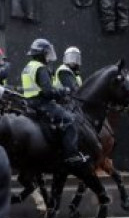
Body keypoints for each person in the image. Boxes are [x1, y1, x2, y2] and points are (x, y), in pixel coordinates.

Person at [20, 38, 86, 168]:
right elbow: (48, 92)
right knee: (70, 120)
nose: (49, 56)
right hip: (42, 104)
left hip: (29, 103)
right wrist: (63, 91)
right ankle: (71, 155)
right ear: (41, 54)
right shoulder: (40, 68)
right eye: (47, 53)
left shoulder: (28, 67)